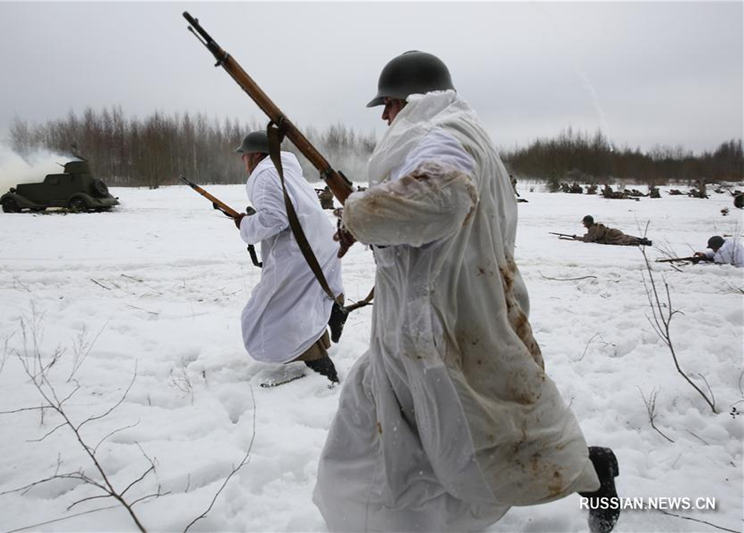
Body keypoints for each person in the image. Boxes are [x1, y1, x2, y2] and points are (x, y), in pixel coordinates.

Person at [314, 51, 620, 533]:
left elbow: (444, 196)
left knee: (483, 455)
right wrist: (375, 221)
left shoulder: (439, 135)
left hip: (443, 333)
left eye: (389, 106)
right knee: (371, 443)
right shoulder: (455, 134)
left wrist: (358, 212)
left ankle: (588, 472)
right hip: (412, 333)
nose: (386, 118)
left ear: (407, 100)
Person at [233, 131, 344, 383]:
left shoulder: (264, 175)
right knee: (301, 305)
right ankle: (332, 317)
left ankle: (321, 369)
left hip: (301, 252)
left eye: (245, 156)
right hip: (320, 244)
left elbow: (275, 217)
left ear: (257, 155)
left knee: (272, 314)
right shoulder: (285, 171)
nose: (243, 161)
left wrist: (246, 225)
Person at [576, 215, 651, 246]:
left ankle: (642, 242)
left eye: (585, 222)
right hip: (612, 232)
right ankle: (642, 240)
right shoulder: (595, 226)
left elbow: (591, 238)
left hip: (611, 235)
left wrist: (579, 238)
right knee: (625, 237)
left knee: (625, 240)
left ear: (588, 222)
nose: (584, 224)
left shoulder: (592, 228)